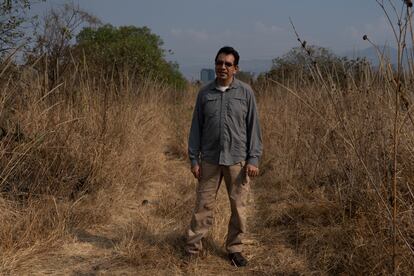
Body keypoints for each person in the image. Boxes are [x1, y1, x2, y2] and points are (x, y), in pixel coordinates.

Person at [185, 46, 263, 267]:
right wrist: (194, 159)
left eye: (228, 64)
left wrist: (253, 159)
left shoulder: (246, 93)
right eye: (219, 63)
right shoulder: (205, 93)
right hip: (209, 159)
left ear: (235, 68)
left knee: (239, 207)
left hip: (237, 159)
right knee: (203, 206)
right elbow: (195, 129)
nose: (223, 67)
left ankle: (235, 249)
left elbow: (253, 127)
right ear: (215, 65)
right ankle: (193, 249)